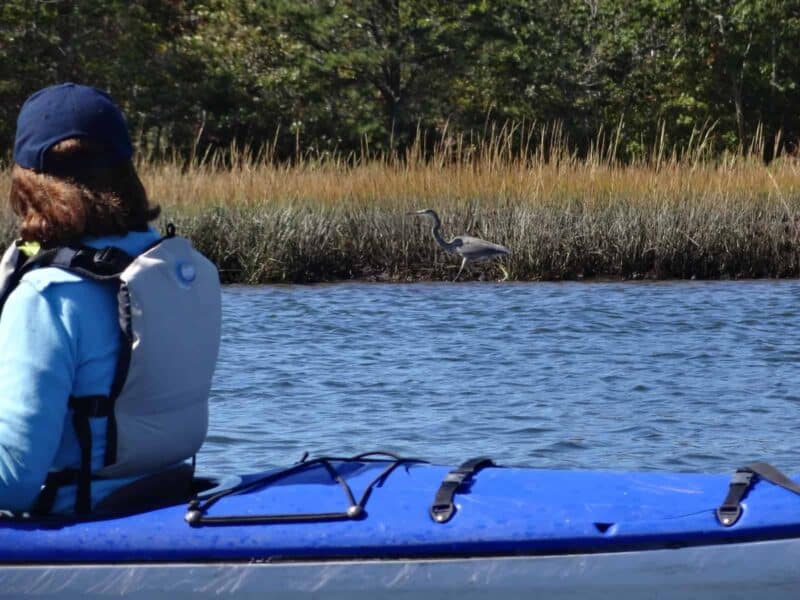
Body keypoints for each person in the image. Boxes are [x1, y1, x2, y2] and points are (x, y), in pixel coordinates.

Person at [0, 83, 221, 515]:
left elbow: (12, 482)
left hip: (77, 517)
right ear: (125, 171)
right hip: (165, 494)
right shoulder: (183, 271)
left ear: (26, 183)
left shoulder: (47, 299)